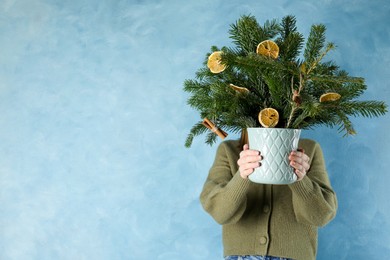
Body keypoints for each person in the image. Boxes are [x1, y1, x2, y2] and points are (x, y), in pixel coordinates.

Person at [200, 130, 338, 260]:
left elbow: (322, 215)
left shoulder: (309, 149)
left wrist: (299, 179)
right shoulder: (228, 150)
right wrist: (242, 176)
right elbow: (219, 212)